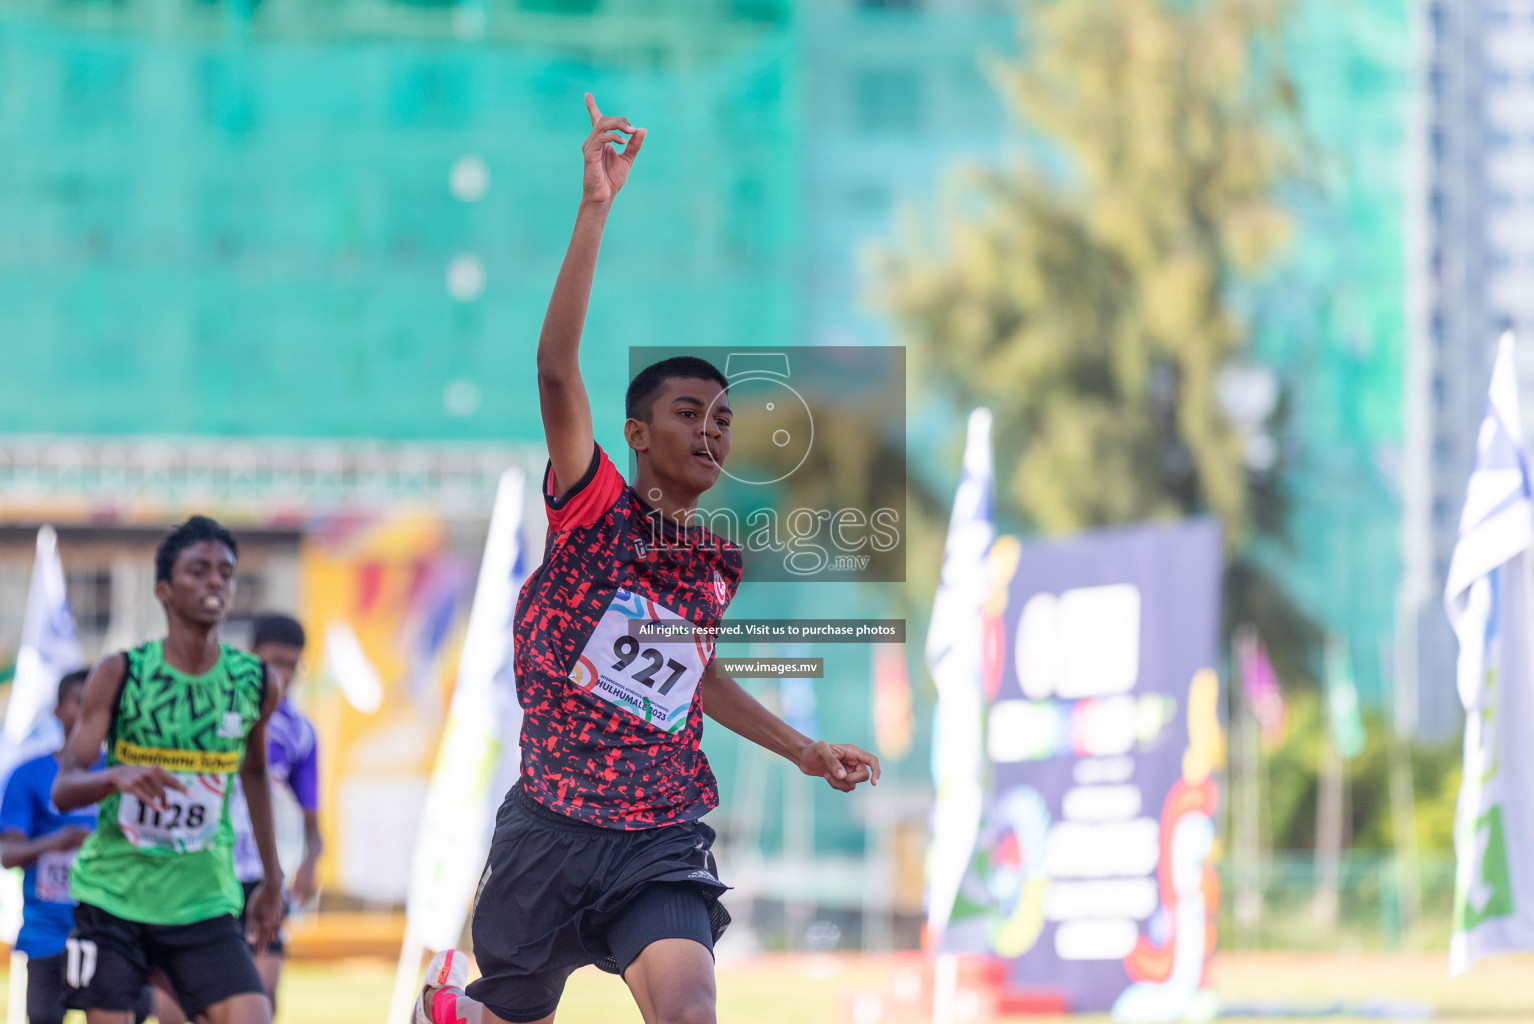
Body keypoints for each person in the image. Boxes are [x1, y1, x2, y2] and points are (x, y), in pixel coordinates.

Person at [414, 94, 881, 1024]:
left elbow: (694, 678)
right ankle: (456, 1010)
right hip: (548, 830)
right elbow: (555, 371)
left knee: (689, 1011)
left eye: (724, 420)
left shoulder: (713, 563)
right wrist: (596, 209)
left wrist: (803, 750)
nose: (711, 431)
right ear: (634, 433)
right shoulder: (591, 507)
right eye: (687, 414)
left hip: (658, 835)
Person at [51, 515, 285, 1024]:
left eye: (225, 572)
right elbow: (64, 788)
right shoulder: (121, 674)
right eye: (198, 571)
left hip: (202, 901)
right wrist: (114, 776)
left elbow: (254, 774)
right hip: (113, 901)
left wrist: (272, 877)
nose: (215, 583)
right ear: (164, 589)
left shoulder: (254, 682)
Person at [154, 613, 323, 1024]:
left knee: (262, 997)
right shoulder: (211, 709)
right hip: (197, 871)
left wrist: (309, 862)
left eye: (291, 665)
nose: (282, 674)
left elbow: (313, 824)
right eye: (274, 662)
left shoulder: (300, 731)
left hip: (258, 877)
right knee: (188, 1006)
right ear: (251, 657)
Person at [0, 670, 152, 1024]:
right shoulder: (29, 774)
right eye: (78, 702)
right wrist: (62, 840)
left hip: (115, 931)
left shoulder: (127, 774)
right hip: (49, 933)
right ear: (57, 711)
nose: (88, 711)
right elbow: (8, 854)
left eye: (97, 703)